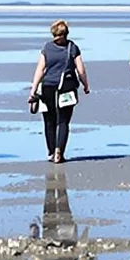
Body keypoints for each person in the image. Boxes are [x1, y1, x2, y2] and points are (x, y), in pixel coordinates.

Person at [27, 19, 88, 163]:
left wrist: (33, 90)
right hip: (67, 87)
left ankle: (50, 152)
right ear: (66, 33)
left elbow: (40, 70)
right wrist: (85, 85)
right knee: (63, 121)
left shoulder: (47, 48)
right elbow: (80, 69)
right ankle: (59, 152)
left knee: (49, 121)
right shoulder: (73, 47)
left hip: (47, 87)